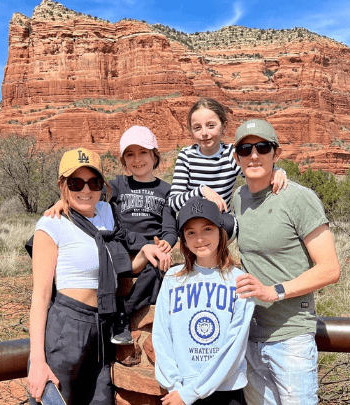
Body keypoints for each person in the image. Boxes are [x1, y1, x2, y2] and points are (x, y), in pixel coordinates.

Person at [27, 147, 170, 405]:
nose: (85, 190)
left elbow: (123, 265)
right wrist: (37, 361)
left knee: (100, 398)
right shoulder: (51, 225)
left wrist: (146, 250)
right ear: (62, 185)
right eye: (75, 183)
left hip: (103, 326)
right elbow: (41, 295)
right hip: (68, 326)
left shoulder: (106, 214)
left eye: (93, 182)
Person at [231, 119, 341, 405]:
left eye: (262, 147)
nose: (254, 155)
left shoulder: (299, 198)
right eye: (245, 149)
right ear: (236, 157)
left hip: (291, 338)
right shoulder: (237, 198)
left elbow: (330, 269)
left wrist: (274, 291)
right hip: (250, 338)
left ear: (275, 154)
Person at [44, 125, 178, 345]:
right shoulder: (117, 185)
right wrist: (63, 200)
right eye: (130, 154)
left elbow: (170, 228)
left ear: (155, 155)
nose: (137, 159)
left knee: (158, 267)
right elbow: (86, 196)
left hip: (151, 247)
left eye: (143, 152)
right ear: (124, 160)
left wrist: (165, 244)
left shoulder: (166, 190)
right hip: (121, 245)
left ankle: (123, 312)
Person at [153, 196, 254, 405]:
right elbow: (162, 335)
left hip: (226, 389)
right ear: (183, 239)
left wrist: (192, 392)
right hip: (180, 389)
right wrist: (175, 386)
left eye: (207, 229)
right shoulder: (173, 279)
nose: (200, 239)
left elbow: (235, 345)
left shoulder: (239, 280)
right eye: (191, 232)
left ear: (220, 231)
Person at [168, 97, 288, 214]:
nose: (204, 133)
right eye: (197, 128)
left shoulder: (230, 155)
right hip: (194, 219)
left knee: (230, 223)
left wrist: (276, 171)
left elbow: (256, 172)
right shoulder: (186, 156)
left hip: (221, 221)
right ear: (191, 131)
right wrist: (202, 191)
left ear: (224, 126)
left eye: (211, 126)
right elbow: (173, 202)